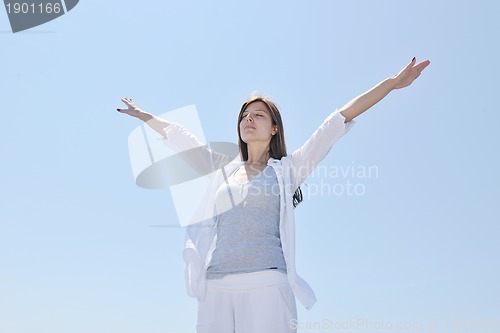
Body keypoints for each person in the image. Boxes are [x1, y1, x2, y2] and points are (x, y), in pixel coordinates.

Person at [117, 57, 430, 333]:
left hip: (267, 284)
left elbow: (336, 122)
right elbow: (181, 138)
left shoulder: (288, 170)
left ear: (275, 129)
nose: (248, 119)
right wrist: (144, 115)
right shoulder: (220, 168)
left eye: (258, 115)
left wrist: (391, 84)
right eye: (244, 116)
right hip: (215, 288)